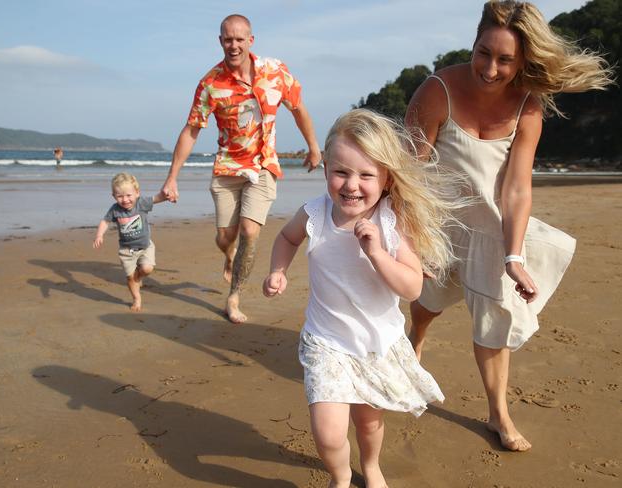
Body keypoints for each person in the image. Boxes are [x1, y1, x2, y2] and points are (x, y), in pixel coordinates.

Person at [405, 0, 614, 452]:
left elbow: (517, 188)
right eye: (484, 52)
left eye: (505, 60)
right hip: (436, 224)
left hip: (489, 232)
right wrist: (412, 240)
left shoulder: (528, 107)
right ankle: (414, 342)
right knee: (425, 306)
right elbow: (411, 173)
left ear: (523, 61)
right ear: (474, 42)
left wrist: (514, 256)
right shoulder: (436, 90)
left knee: (494, 325)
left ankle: (498, 413)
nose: (491, 68)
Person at [263, 109, 463, 487]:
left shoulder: (390, 223)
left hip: (375, 343)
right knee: (328, 432)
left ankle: (370, 467)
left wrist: (377, 254)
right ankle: (340, 477)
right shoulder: (314, 213)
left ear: (386, 179)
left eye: (366, 175)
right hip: (326, 342)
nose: (351, 185)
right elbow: (287, 238)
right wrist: (278, 270)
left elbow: (412, 288)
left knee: (368, 422)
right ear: (325, 171)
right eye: (341, 172)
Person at [161, 14, 321, 324]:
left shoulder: (275, 72)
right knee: (225, 236)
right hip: (227, 168)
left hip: (263, 166)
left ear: (251, 40)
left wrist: (314, 146)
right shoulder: (210, 84)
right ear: (220, 41)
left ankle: (234, 296)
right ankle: (228, 255)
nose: (233, 45)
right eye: (227, 39)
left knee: (250, 231)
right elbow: (191, 130)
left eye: (239, 39)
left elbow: (299, 108)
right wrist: (172, 177)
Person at [94, 173, 168, 312]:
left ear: (137, 193)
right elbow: (105, 221)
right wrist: (99, 235)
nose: (125, 200)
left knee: (147, 269)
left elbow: (157, 198)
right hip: (126, 250)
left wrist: (167, 195)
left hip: (145, 246)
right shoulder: (115, 209)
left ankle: (138, 277)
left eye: (129, 195)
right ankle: (136, 298)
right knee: (130, 278)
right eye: (120, 196)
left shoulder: (141, 203)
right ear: (114, 196)